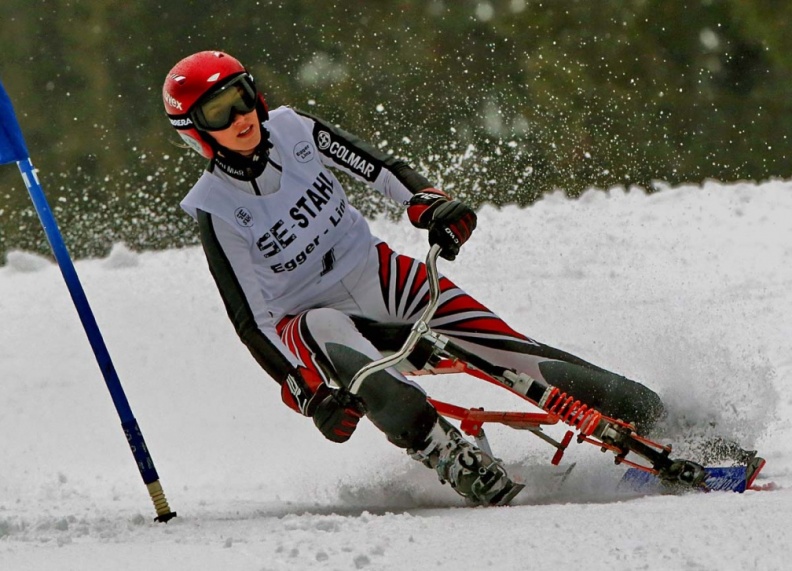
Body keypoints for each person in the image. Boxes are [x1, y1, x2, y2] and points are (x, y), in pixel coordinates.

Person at [161, 51, 676, 505]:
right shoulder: (215, 209)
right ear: (196, 132)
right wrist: (306, 391)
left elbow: (379, 167)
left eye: (242, 97)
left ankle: (656, 414)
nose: (240, 116)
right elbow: (252, 321)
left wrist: (428, 203)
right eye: (218, 111)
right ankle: (444, 451)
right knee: (339, 344)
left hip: (380, 275)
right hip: (311, 316)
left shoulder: (294, 129)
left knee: (513, 352)